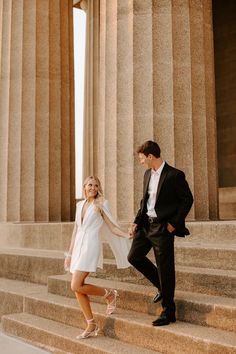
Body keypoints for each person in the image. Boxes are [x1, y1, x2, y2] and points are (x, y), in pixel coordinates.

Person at [128, 140, 193, 326]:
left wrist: (173, 224)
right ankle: (162, 287)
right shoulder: (148, 174)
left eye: (142, 158)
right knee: (134, 256)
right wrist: (135, 223)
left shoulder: (174, 175)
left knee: (165, 268)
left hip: (163, 228)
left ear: (150, 156)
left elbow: (187, 200)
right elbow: (144, 202)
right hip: (145, 226)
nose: (141, 162)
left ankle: (168, 312)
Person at [64, 176, 131, 339]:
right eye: (89, 185)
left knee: (75, 285)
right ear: (84, 187)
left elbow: (112, 227)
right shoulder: (79, 205)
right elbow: (75, 231)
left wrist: (126, 235)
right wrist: (69, 254)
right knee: (78, 289)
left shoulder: (101, 204)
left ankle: (109, 294)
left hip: (90, 247)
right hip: (78, 248)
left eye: (95, 185)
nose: (92, 188)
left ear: (98, 188)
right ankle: (91, 324)